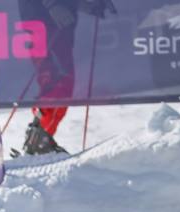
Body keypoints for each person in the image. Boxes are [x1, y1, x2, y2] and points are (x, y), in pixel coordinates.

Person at [19, 0, 116, 155]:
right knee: (58, 81)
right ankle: (39, 140)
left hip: (54, 19)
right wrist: (52, 5)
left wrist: (83, 4)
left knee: (60, 82)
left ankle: (41, 137)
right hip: (44, 18)